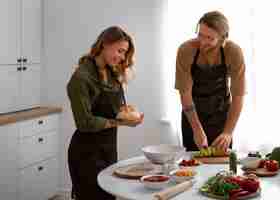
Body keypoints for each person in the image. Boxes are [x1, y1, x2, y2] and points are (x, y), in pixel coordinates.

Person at [67, 26, 144, 200]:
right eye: (120, 51)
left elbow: (113, 109)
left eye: (125, 53)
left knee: (109, 196)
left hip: (108, 149)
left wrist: (128, 114)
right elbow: (84, 122)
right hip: (86, 152)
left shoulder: (112, 74)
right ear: (104, 44)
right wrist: (121, 123)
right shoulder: (81, 78)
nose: (122, 57)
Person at [175, 11, 245, 151]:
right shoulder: (186, 50)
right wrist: (196, 129)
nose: (203, 41)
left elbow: (238, 95)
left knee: (222, 167)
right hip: (193, 115)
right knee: (192, 166)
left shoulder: (233, 52)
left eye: (210, 38)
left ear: (222, 38)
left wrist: (228, 132)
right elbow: (185, 93)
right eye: (200, 35)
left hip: (222, 116)